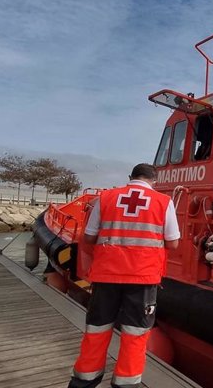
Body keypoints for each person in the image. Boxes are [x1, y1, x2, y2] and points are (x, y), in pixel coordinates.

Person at [68, 163, 180, 388]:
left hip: (106, 275)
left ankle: (84, 380)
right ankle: (126, 382)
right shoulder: (164, 202)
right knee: (135, 334)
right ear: (154, 180)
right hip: (143, 277)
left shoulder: (106, 198)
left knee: (97, 329)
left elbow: (88, 238)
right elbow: (173, 243)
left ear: (130, 177)